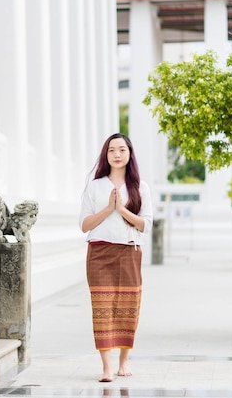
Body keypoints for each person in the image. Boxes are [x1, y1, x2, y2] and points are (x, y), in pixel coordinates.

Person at [79, 133, 153, 383]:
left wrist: (121, 210)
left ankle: (124, 361)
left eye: (122, 149)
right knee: (102, 308)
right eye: (112, 150)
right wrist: (108, 209)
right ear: (106, 155)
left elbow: (146, 225)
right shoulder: (95, 185)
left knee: (127, 307)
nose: (117, 154)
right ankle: (106, 367)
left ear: (130, 154)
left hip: (129, 252)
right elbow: (84, 224)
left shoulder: (140, 187)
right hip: (99, 252)